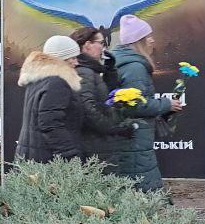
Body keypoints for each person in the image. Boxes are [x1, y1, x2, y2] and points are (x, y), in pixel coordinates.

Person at [108, 14, 182, 192]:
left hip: (129, 137)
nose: (152, 40)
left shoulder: (122, 62)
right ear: (138, 41)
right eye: (148, 37)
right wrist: (166, 104)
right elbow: (137, 105)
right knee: (143, 186)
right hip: (135, 138)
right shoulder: (135, 68)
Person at [70, 26, 136, 168]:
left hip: (97, 144)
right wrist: (112, 127)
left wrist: (110, 71)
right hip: (93, 146)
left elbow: (105, 97)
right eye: (101, 43)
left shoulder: (91, 70)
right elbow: (88, 110)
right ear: (87, 45)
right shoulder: (83, 72)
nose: (104, 48)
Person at [15, 35, 86, 163]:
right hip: (48, 159)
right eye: (73, 58)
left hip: (34, 155)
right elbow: (51, 124)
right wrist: (72, 157)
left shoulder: (39, 79)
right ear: (61, 59)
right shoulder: (56, 83)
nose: (76, 63)